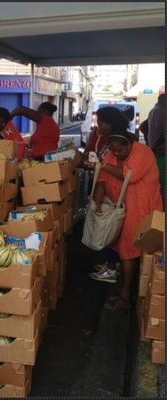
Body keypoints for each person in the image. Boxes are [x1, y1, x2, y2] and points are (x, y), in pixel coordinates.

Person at [93, 131, 163, 309]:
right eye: (113, 151)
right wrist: (98, 201)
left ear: (130, 145)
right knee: (122, 245)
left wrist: (103, 166)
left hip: (141, 207)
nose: (116, 154)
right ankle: (130, 287)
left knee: (128, 248)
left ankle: (125, 294)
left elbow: (129, 175)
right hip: (120, 207)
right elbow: (101, 180)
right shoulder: (110, 154)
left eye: (120, 151)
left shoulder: (143, 153)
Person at [83, 107, 132, 284]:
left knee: (113, 230)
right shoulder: (107, 140)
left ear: (111, 124)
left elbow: (124, 171)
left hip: (117, 195)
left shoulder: (121, 142)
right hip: (108, 192)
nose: (98, 126)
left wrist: (101, 166)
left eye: (101, 123)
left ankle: (112, 269)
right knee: (108, 230)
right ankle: (110, 264)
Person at [147, 94, 165, 194]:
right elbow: (160, 126)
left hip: (155, 143)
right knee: (160, 167)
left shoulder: (155, 109)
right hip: (158, 144)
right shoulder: (159, 111)